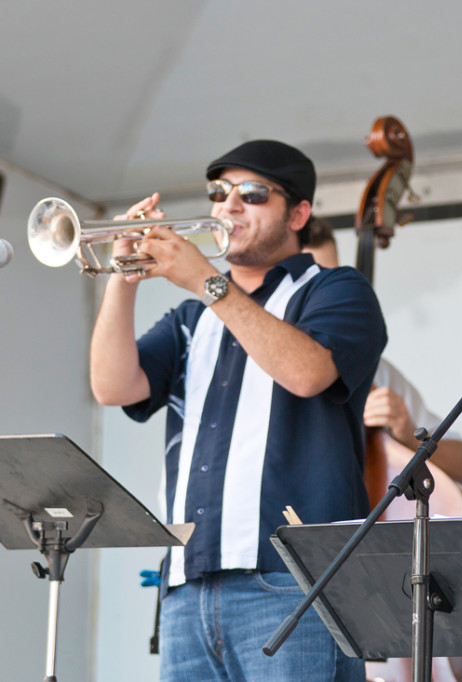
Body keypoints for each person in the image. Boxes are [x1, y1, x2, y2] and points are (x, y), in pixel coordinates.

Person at [90, 140, 387, 682]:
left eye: (252, 194)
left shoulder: (335, 289)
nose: (228, 205)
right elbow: (112, 386)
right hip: (187, 587)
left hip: (294, 584)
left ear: (298, 214)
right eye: (219, 192)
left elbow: (307, 373)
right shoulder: (190, 318)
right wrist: (121, 273)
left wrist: (206, 281)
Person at [303, 218, 462, 487]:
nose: (329, 296)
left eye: (333, 279)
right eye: (310, 286)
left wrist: (408, 435)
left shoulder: (374, 371)